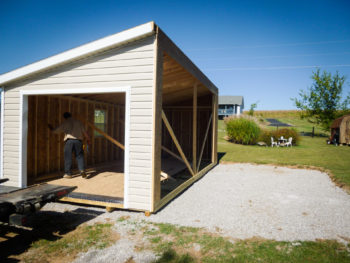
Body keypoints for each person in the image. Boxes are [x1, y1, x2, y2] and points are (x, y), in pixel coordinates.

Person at [48, 112, 90, 178]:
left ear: (64, 117)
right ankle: (82, 170)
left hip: (69, 141)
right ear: (71, 115)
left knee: (68, 157)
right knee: (80, 156)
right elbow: (85, 132)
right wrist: (88, 139)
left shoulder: (65, 123)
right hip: (79, 141)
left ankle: (68, 174)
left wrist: (51, 128)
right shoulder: (78, 122)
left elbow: (56, 131)